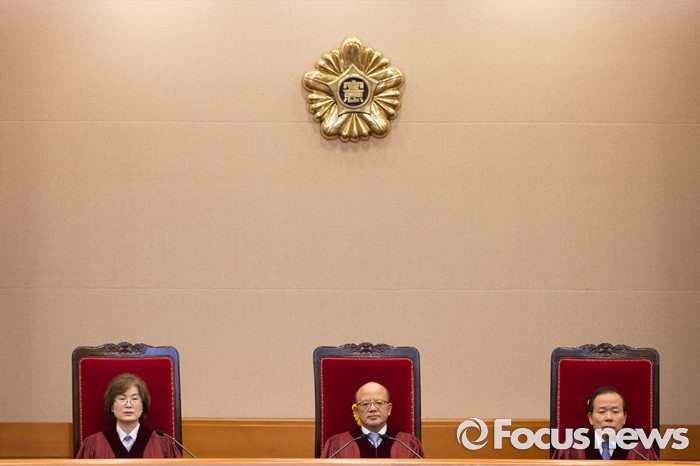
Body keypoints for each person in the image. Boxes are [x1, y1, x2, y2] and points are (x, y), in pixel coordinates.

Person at [76, 373, 182, 458]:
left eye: (134, 399)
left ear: (143, 406)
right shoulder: (93, 444)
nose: (128, 405)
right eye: (122, 399)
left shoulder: (162, 444)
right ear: (112, 406)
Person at [321, 381, 425, 458]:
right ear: (357, 411)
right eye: (365, 404)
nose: (372, 409)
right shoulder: (338, 445)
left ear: (389, 409)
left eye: (379, 403)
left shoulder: (408, 444)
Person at [552, 386, 659, 460]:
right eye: (601, 412)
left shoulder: (640, 450)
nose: (609, 418)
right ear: (590, 418)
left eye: (615, 412)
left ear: (625, 417)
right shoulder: (571, 449)